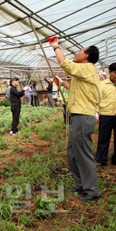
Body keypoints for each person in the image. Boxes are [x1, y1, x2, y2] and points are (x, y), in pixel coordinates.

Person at [47, 36, 102, 203]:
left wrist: (55, 46)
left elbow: (66, 64)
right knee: (72, 152)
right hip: (77, 116)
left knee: (83, 154)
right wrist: (62, 82)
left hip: (83, 117)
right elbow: (75, 87)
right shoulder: (85, 72)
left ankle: (92, 190)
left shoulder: (88, 68)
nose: (76, 53)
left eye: (79, 51)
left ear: (86, 56)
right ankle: (80, 184)